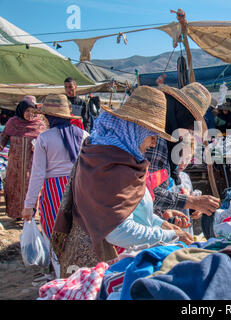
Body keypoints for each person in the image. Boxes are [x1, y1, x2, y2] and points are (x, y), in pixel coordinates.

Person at [51, 86, 194, 278]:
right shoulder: (114, 167)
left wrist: (161, 224)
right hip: (98, 262)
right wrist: (170, 236)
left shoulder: (105, 154)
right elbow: (119, 230)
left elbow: (130, 212)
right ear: (135, 131)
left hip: (90, 252)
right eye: (152, 136)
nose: (153, 144)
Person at [148, 82, 221, 219]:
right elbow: (146, 192)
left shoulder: (166, 134)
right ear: (182, 114)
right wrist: (191, 202)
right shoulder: (157, 139)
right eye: (189, 124)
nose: (188, 130)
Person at [21, 94, 88, 238]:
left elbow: (37, 174)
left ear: (48, 117)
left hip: (55, 192)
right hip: (80, 189)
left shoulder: (44, 138)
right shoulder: (84, 135)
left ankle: (57, 261)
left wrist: (29, 205)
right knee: (77, 235)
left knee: (56, 235)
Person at [0, 99, 47, 220]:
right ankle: (16, 215)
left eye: (32, 111)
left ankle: (30, 215)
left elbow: (47, 143)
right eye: (27, 111)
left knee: (31, 188)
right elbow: (3, 138)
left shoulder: (40, 125)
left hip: (32, 165)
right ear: (21, 111)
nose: (30, 114)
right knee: (14, 188)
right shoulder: (12, 123)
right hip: (14, 165)